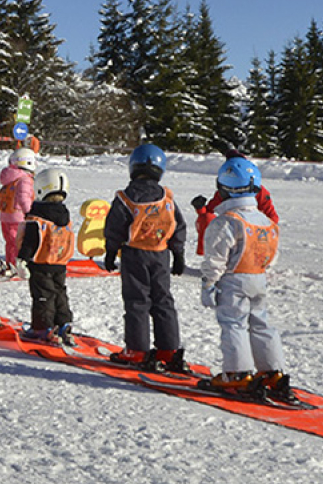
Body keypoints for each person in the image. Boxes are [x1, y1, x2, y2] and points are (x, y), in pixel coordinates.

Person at [198, 156, 301, 405]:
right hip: (259, 277)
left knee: (233, 324)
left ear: (223, 188)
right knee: (261, 324)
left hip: (234, 279)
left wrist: (209, 284)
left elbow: (215, 258)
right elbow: (272, 255)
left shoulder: (226, 222)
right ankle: (272, 371)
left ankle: (238, 374)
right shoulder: (266, 222)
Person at [103, 143, 188, 372]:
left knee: (137, 301)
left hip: (135, 254)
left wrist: (111, 251)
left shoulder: (125, 198)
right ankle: (168, 350)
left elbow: (114, 227)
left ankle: (137, 350)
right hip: (160, 255)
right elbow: (177, 225)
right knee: (163, 300)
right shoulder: (167, 198)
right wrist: (178, 254)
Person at [17, 167, 76, 346]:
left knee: (43, 296)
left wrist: (22, 260)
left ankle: (42, 328)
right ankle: (63, 323)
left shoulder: (37, 218)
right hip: (60, 264)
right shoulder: (64, 215)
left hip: (40, 264)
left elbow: (30, 242)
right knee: (59, 293)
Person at [191, 147, 278, 256]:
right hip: (230, 232)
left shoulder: (259, 191)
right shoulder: (224, 192)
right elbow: (208, 214)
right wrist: (200, 208)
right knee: (207, 219)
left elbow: (272, 218)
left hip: (252, 234)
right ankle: (212, 256)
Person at [0, 147, 37, 277]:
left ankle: (10, 262)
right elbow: (23, 197)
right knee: (18, 242)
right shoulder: (25, 179)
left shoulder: (10, 176)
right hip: (18, 215)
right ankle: (16, 265)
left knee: (10, 241)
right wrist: (29, 212)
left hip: (6, 214)